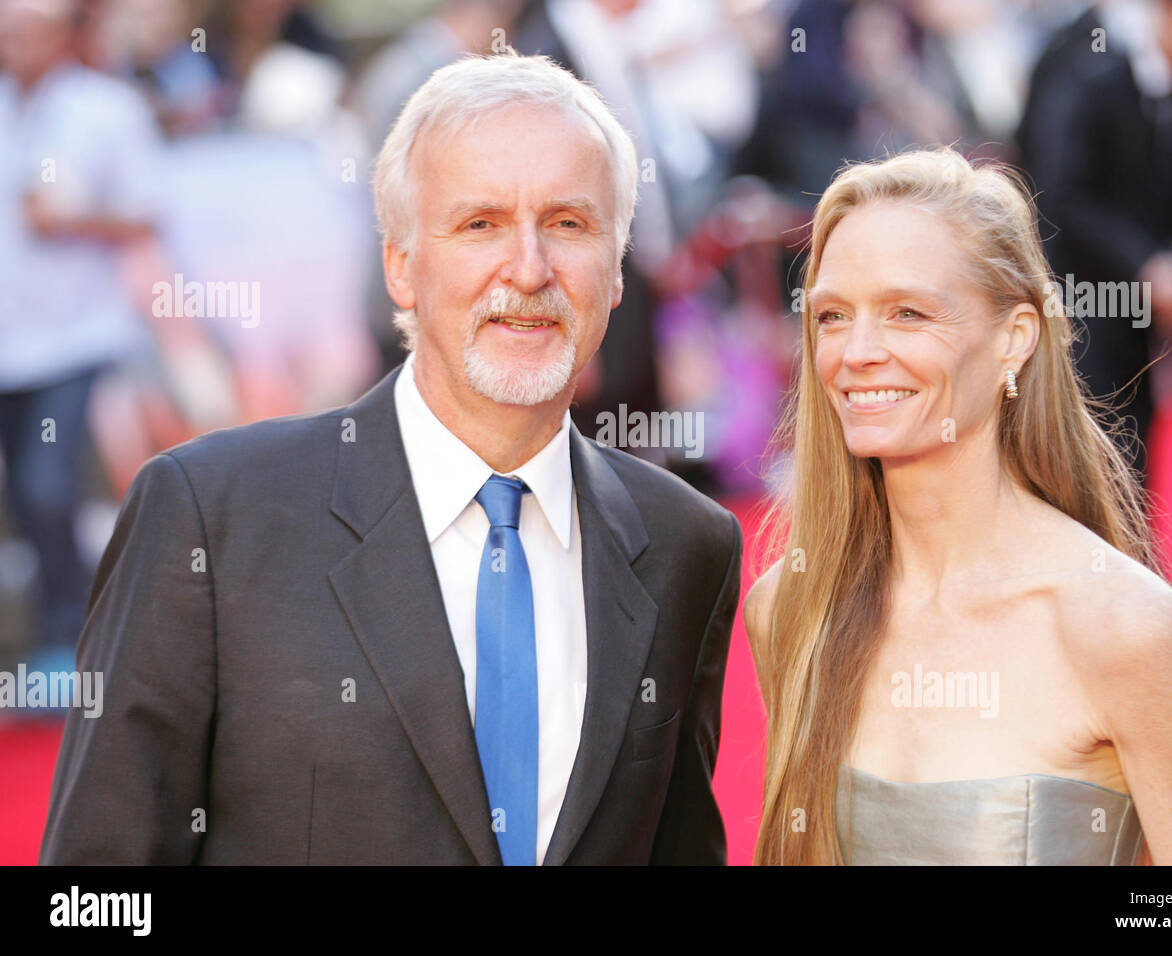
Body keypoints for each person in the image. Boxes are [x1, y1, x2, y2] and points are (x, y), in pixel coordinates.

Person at [41, 49, 741, 865]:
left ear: (616, 270)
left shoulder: (686, 543)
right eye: (480, 224)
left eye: (569, 223)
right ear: (401, 268)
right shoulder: (211, 517)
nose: (529, 268)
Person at [743, 148, 1172, 865]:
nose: (856, 352)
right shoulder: (792, 607)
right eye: (831, 316)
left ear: (1014, 339)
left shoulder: (1121, 625)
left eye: (907, 312)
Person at [0, 0, 161, 681]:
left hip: (73, 338)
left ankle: (68, 636)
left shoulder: (108, 109)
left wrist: (73, 219)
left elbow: (148, 213)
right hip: (9, 340)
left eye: (27, 31)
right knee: (23, 499)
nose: (15, 45)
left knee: (46, 487)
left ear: (63, 34)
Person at [1016, 0, 1172, 485]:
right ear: (1171, 15)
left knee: (1137, 461)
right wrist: (1144, 263)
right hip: (1082, 306)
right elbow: (1060, 196)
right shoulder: (1093, 79)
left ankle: (1133, 560)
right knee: (1088, 465)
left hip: (1144, 325)